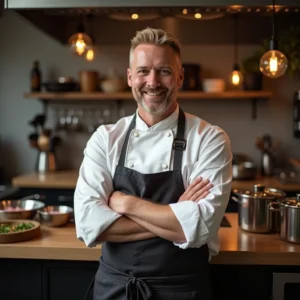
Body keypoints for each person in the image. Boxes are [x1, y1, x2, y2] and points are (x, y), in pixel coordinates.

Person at [74, 27, 232, 300]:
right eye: (143, 71)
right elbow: (89, 226)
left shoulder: (210, 139)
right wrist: (177, 213)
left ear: (180, 77)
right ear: (130, 77)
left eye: (164, 71)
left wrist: (127, 204)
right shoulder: (106, 139)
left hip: (182, 290)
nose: (153, 81)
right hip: (113, 289)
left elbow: (198, 228)